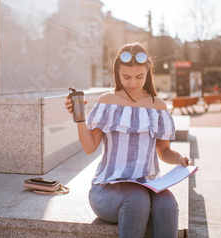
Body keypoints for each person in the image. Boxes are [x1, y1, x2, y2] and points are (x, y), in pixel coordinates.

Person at [64, 42, 193, 238]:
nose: (133, 83)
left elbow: (164, 151)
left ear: (148, 72)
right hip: (107, 190)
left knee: (167, 205)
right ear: (117, 73)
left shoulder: (158, 106)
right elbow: (90, 147)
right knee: (136, 199)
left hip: (148, 186)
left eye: (139, 77)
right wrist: (79, 117)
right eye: (126, 77)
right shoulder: (107, 102)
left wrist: (180, 158)